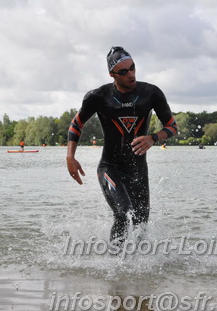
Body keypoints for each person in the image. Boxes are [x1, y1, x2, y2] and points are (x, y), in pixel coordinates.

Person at [66, 46, 177, 248]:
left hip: (138, 169)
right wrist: (70, 157)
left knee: (141, 221)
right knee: (123, 213)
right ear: (112, 74)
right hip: (110, 168)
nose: (131, 74)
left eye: (133, 68)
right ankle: (115, 266)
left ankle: (138, 271)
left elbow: (172, 126)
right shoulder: (98, 97)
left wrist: (153, 138)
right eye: (124, 72)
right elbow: (76, 124)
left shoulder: (151, 93)